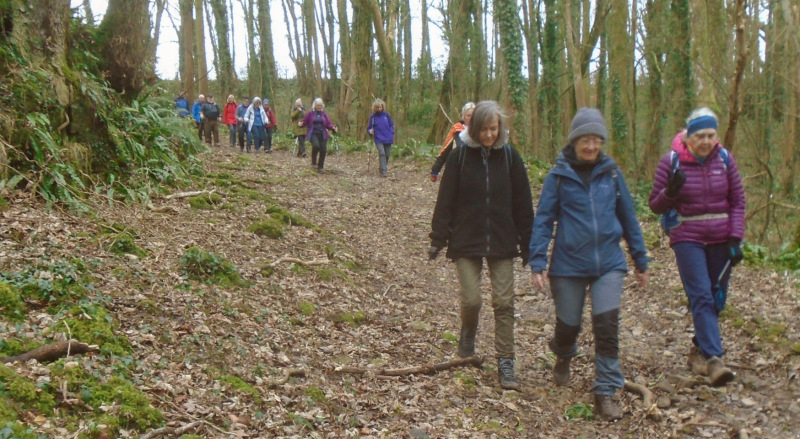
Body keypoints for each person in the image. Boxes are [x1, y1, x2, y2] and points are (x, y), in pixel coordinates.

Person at [528, 108, 649, 421]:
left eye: (597, 140)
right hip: (568, 265)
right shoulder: (558, 176)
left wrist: (640, 258)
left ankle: (606, 390)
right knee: (568, 326)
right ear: (575, 141)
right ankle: (564, 353)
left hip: (608, 263)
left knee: (606, 327)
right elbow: (543, 219)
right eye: (586, 139)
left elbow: (628, 217)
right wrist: (538, 259)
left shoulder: (611, 172)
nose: (592, 146)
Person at [429, 100, 534, 391]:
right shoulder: (459, 157)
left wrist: (528, 245)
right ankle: (469, 331)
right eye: (483, 129)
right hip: (466, 239)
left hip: (501, 240)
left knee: (504, 303)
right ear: (473, 129)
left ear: (500, 129)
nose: (488, 135)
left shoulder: (511, 158)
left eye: (493, 129)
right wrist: (438, 238)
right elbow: (445, 202)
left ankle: (506, 361)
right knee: (471, 300)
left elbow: (524, 205)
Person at [648, 107, 745, 387]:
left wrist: (736, 238)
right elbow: (655, 205)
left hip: (722, 236)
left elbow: (738, 201)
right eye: (700, 135)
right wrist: (671, 192)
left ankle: (698, 349)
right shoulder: (672, 162)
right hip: (687, 236)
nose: (705, 141)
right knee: (701, 294)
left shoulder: (725, 160)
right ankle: (715, 359)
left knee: (716, 298)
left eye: (710, 135)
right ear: (688, 137)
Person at [430, 102, 475, 181]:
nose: (471, 118)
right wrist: (435, 170)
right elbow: (445, 149)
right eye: (468, 116)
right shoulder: (457, 130)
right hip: (456, 168)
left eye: (474, 116)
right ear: (463, 116)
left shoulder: (482, 131)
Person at [300, 98, 338, 173]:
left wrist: (333, 127)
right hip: (313, 133)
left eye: (320, 105)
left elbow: (328, 124)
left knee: (323, 149)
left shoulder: (324, 114)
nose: (319, 107)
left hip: (322, 134)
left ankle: (320, 167)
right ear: (315, 105)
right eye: (318, 105)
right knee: (316, 146)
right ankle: (314, 162)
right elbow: (304, 121)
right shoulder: (310, 113)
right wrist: (301, 124)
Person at [367, 98, 395, 177]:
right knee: (382, 153)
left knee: (387, 154)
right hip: (378, 138)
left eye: (380, 107)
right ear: (374, 108)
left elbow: (391, 125)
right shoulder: (372, 117)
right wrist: (370, 131)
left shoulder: (386, 115)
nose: (379, 109)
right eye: (377, 107)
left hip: (388, 137)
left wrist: (392, 132)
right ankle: (384, 171)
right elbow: (369, 128)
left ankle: (383, 167)